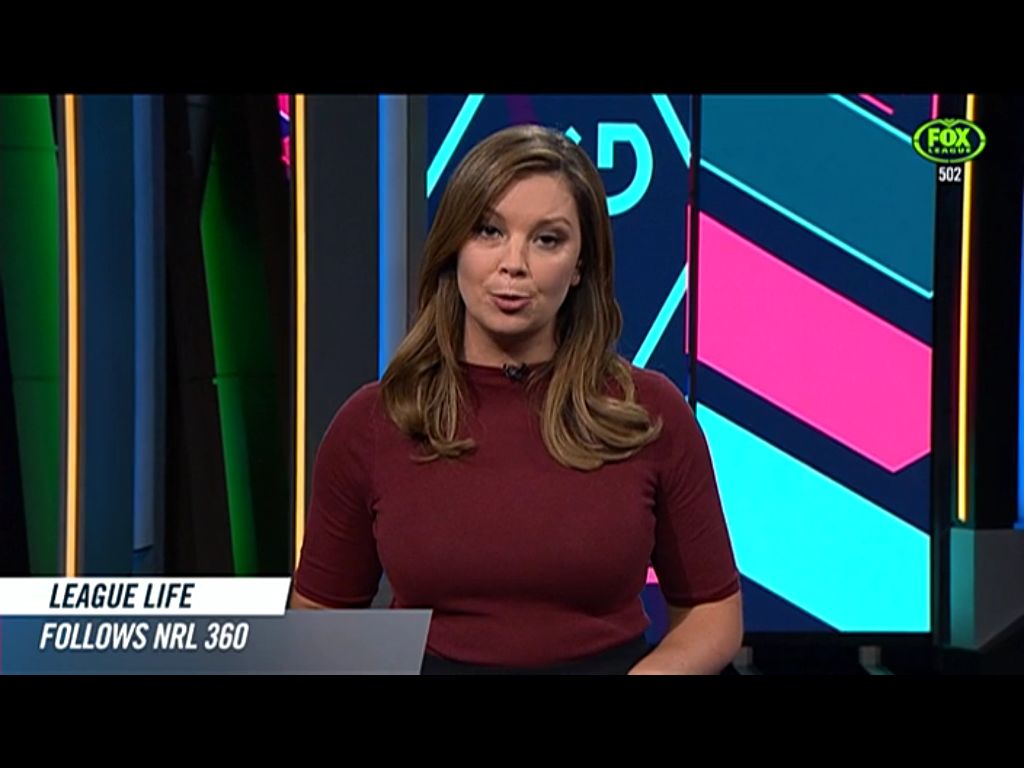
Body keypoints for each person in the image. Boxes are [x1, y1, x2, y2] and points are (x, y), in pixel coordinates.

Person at [291, 123, 742, 674]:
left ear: (579, 266)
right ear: (454, 247)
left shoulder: (646, 413)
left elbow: (712, 612)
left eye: (547, 240)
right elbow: (321, 619)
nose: (514, 264)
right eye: (489, 231)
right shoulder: (376, 421)